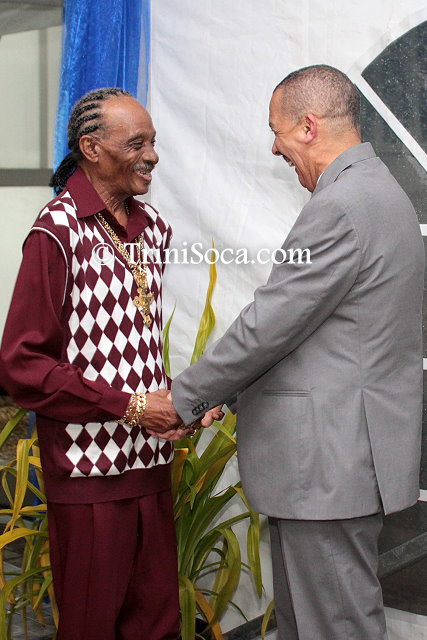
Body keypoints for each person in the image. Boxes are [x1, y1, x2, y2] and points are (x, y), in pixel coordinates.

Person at [155, 66, 424, 639]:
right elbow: (321, 338)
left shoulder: (343, 205)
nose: (274, 148)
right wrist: (222, 396)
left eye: (276, 132)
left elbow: (270, 326)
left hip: (327, 465)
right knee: (315, 623)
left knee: (333, 627)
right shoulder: (378, 191)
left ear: (308, 126)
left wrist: (183, 397)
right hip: (340, 461)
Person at [0, 88, 220, 640]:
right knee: (92, 625)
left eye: (154, 142)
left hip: (148, 463)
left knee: (156, 625)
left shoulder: (153, 228)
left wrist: (181, 402)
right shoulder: (57, 231)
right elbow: (23, 365)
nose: (153, 156)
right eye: (136, 143)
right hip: (88, 473)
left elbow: (131, 342)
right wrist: (133, 407)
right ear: (91, 148)